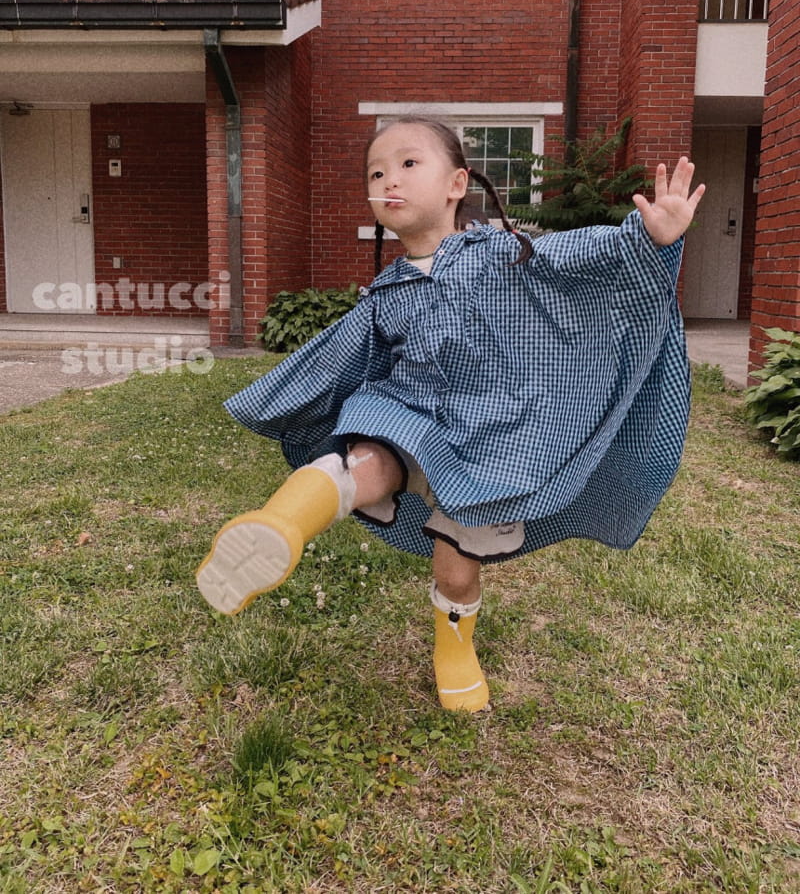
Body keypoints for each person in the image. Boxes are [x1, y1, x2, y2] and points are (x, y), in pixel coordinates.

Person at [196, 116, 705, 713]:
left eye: (409, 165)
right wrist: (280, 395)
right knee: (362, 461)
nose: (390, 179)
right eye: (377, 172)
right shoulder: (385, 294)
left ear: (457, 184)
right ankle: (278, 526)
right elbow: (335, 357)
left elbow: (581, 253)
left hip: (493, 439)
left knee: (456, 569)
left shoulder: (506, 252)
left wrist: (647, 238)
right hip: (408, 415)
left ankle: (454, 647)